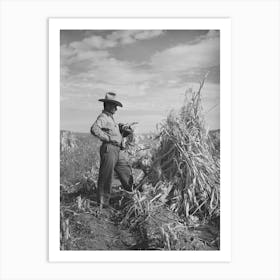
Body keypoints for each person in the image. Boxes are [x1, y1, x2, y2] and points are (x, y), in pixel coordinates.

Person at [90, 92, 133, 208]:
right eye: (114, 106)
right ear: (108, 105)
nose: (116, 109)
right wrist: (107, 138)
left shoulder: (111, 118)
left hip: (117, 150)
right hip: (109, 149)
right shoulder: (103, 117)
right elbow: (94, 129)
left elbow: (114, 133)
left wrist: (123, 131)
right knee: (106, 176)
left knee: (126, 170)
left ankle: (131, 193)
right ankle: (103, 204)